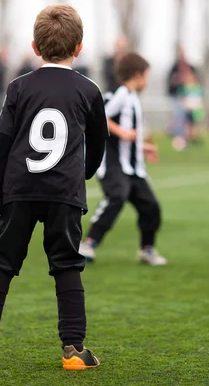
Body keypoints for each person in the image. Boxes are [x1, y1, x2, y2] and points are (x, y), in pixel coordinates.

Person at [0, 4, 109, 370]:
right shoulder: (89, 90)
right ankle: (74, 351)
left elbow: (0, 142)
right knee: (66, 265)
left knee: (1, 262)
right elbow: (98, 142)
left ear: (34, 46)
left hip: (18, 190)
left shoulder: (18, 87)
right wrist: (86, 175)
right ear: (79, 47)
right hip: (64, 193)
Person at [79, 52, 167, 266]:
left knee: (151, 207)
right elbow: (99, 118)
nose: (146, 81)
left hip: (134, 168)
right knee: (116, 197)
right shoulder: (120, 94)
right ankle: (87, 243)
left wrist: (143, 147)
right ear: (137, 75)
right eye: (146, 76)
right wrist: (122, 132)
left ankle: (147, 250)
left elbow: (129, 134)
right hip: (114, 164)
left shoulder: (134, 98)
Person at [175, 69, 206, 144]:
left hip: (196, 110)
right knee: (187, 124)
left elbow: (201, 98)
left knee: (194, 124)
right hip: (187, 109)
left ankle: (193, 138)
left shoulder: (198, 88)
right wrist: (184, 105)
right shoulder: (184, 88)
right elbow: (181, 98)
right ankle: (188, 138)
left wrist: (201, 106)